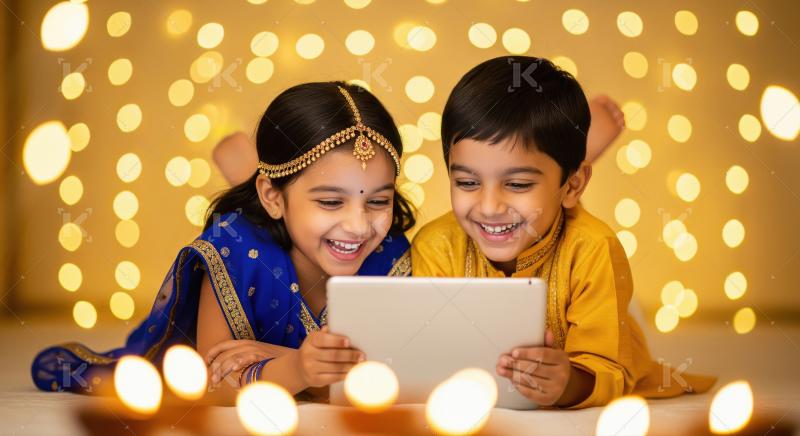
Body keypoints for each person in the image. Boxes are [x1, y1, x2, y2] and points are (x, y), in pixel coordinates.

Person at [31, 82, 415, 404]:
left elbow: (404, 374)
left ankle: (247, 167)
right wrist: (299, 369)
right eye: (331, 202)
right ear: (272, 197)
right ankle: (247, 171)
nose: (359, 225)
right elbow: (208, 384)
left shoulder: (390, 254)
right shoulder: (235, 249)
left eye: (378, 201)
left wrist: (285, 362)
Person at [411, 56, 716, 409]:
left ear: (575, 185)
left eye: (517, 183)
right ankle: (564, 160)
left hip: (605, 310)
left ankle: (570, 164)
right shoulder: (436, 244)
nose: (489, 206)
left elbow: (608, 369)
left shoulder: (594, 248)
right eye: (466, 181)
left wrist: (568, 382)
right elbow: (427, 352)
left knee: (620, 318)